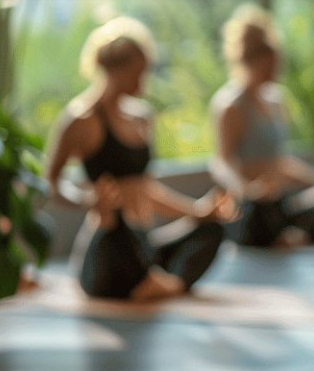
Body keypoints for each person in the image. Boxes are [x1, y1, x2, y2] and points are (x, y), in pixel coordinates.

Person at [45, 17, 235, 301]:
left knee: (211, 230)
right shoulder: (80, 120)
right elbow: (53, 182)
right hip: (110, 244)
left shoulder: (142, 118)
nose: (143, 80)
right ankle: (154, 281)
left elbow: (145, 188)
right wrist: (88, 201)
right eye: (137, 72)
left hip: (144, 240)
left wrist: (197, 211)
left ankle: (161, 282)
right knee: (116, 225)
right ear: (116, 70)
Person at [209, 5, 314, 248]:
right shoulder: (230, 106)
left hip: (280, 202)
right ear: (253, 60)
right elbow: (222, 163)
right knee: (260, 211)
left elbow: (282, 163)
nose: (276, 69)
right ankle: (284, 234)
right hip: (252, 206)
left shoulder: (276, 100)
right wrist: (247, 190)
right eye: (270, 63)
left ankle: (289, 234)